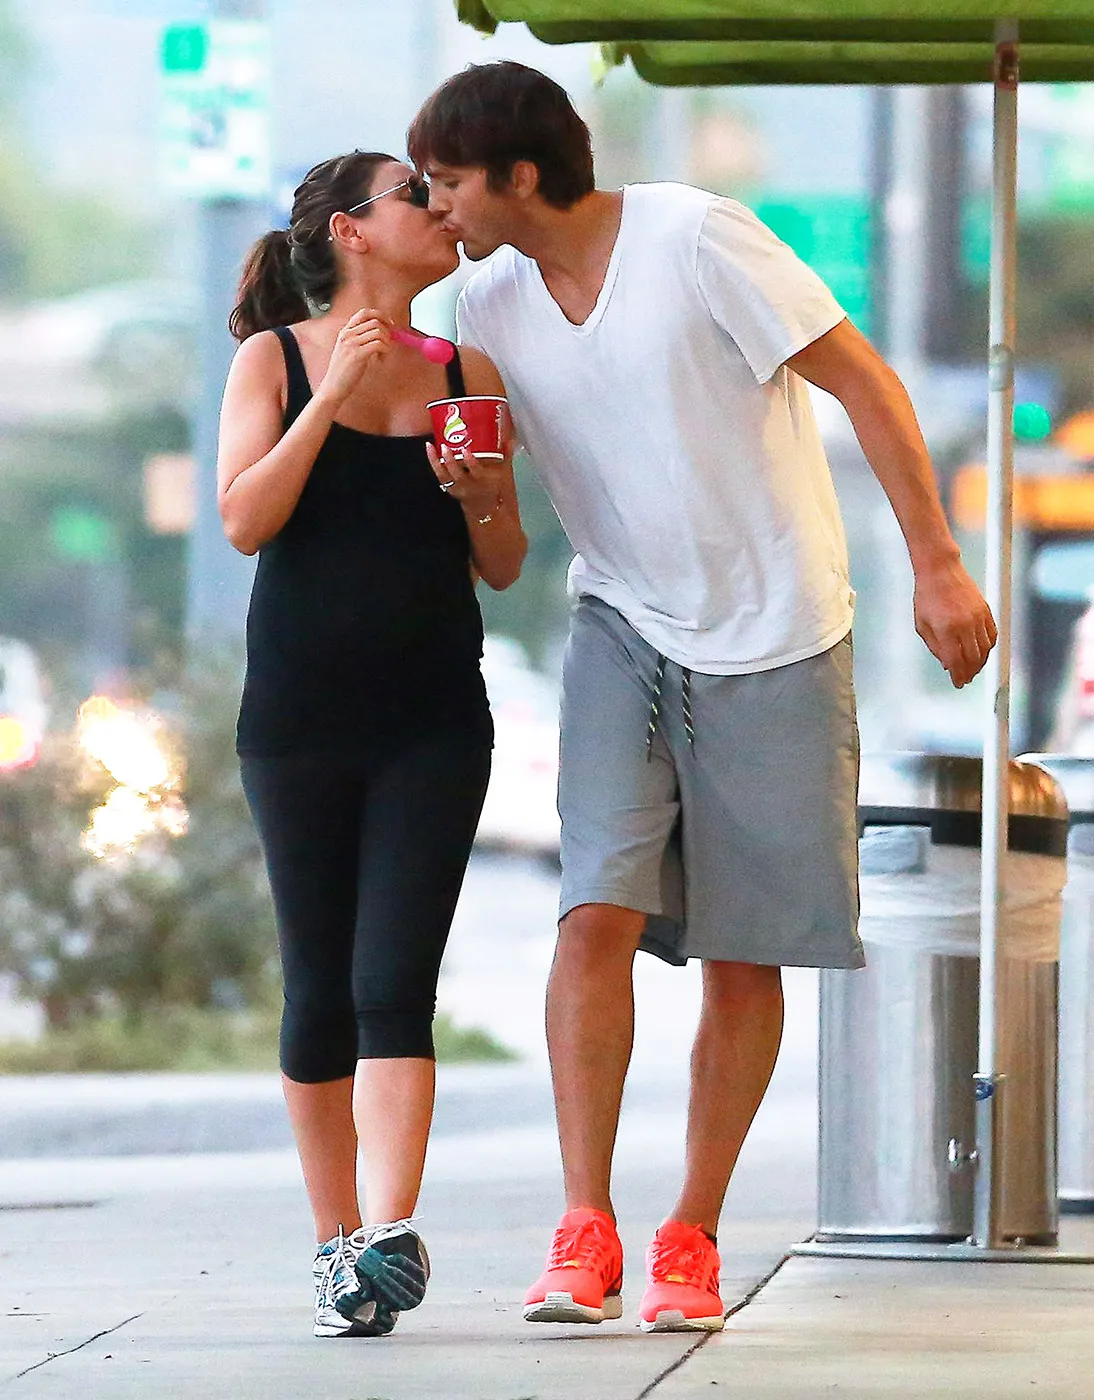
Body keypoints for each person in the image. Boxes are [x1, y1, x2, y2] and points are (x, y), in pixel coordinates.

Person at [407, 62, 997, 1334]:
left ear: (517, 174)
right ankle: (583, 1224)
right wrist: (479, 496)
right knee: (591, 910)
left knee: (741, 950)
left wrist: (937, 564)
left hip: (780, 626)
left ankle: (690, 1231)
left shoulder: (694, 236)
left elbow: (863, 380)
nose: (434, 202)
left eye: (446, 181)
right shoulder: (483, 302)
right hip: (619, 622)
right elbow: (496, 505)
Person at [216, 149, 527, 1339]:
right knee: (319, 986)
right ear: (350, 230)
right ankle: (334, 1242)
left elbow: (501, 560)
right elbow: (244, 519)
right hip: (298, 722)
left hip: (434, 720)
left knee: (394, 982)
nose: (440, 212)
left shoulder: (463, 369)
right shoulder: (274, 359)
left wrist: (476, 488)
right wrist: (329, 399)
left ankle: (388, 1235)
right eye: (414, 196)